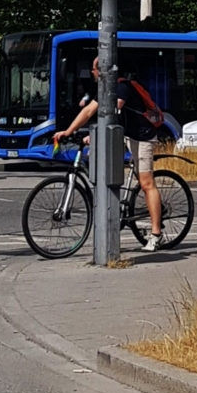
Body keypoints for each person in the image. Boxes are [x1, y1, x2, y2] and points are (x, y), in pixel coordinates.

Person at [53, 57, 166, 250]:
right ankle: (114, 210)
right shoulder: (105, 90)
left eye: (94, 69)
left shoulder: (121, 88)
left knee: (147, 183)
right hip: (125, 134)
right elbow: (88, 111)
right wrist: (68, 131)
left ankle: (156, 234)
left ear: (103, 71)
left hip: (142, 136)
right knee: (102, 164)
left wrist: (95, 134)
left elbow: (113, 113)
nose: (92, 72)